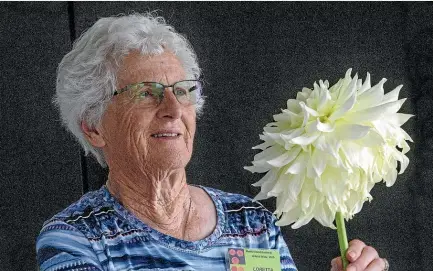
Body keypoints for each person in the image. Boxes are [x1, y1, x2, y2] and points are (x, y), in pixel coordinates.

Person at [36, 13, 389, 271]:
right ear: (94, 127)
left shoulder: (251, 222)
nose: (174, 109)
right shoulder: (76, 239)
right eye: (146, 93)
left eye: (182, 91)